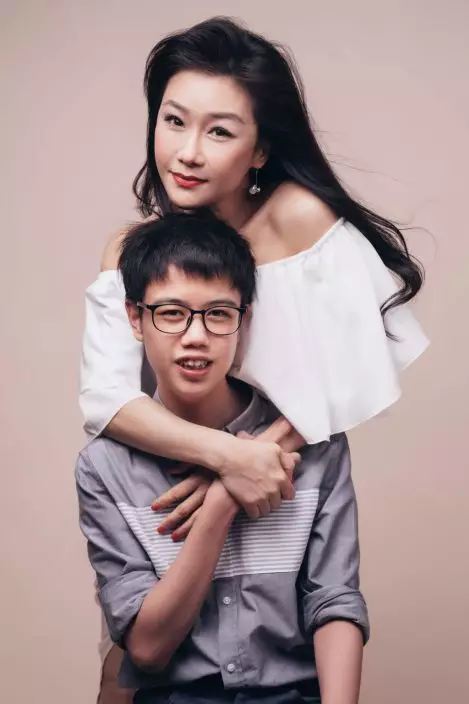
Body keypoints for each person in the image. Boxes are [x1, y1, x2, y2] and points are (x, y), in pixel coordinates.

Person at [78, 15, 428, 700]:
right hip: (158, 518)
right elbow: (106, 402)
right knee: (131, 669)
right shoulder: (130, 252)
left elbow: (354, 370)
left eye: (219, 132)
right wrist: (229, 461)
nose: (187, 153)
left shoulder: (296, 218)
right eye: (174, 121)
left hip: (276, 514)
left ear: (261, 148)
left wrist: (243, 467)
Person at [76, 211, 369, 704]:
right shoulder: (104, 467)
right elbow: (147, 648)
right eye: (171, 313)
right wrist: (220, 502)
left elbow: (334, 600)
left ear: (243, 321)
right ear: (134, 319)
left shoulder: (316, 444)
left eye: (218, 313)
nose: (196, 336)